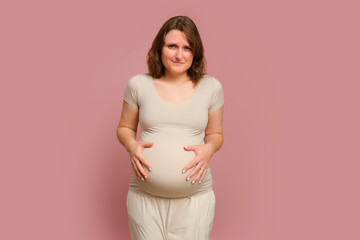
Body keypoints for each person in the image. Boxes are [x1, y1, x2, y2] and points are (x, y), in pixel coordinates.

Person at [117, 15, 224, 240]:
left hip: (194, 200)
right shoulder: (138, 85)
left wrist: (208, 149)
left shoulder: (211, 87)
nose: (179, 54)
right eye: (172, 46)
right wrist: (132, 145)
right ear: (160, 48)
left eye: (187, 48)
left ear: (195, 53)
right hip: (144, 198)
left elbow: (215, 134)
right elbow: (125, 128)